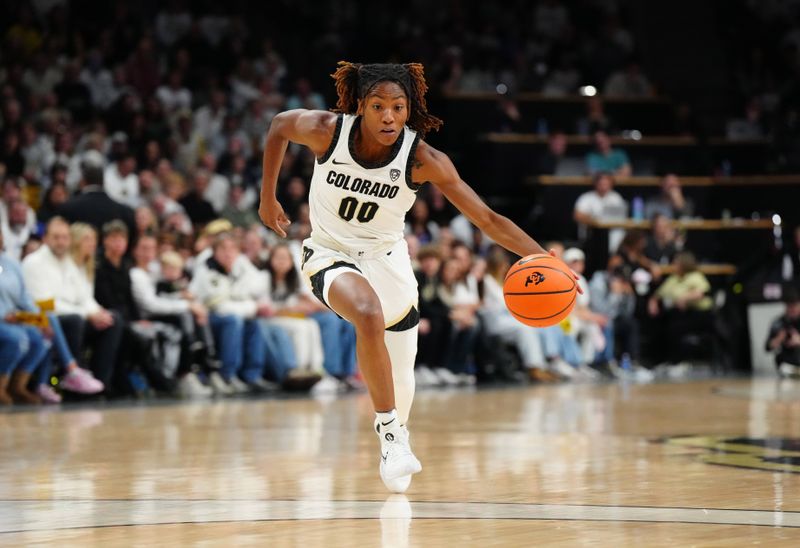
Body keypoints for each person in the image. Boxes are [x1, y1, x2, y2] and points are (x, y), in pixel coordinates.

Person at [258, 62, 572, 493]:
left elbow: (487, 219)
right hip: (329, 252)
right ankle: (388, 435)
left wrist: (545, 258)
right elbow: (277, 126)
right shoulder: (326, 131)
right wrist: (267, 196)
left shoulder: (422, 158)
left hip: (389, 260)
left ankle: (398, 433)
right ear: (360, 107)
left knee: (403, 371)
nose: (389, 117)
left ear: (409, 111)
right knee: (367, 314)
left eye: (398, 107)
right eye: (378, 106)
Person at [765, 289, 800, 378]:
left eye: (794, 306)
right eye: (789, 306)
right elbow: (767, 347)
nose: (792, 309)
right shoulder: (778, 323)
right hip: (786, 365)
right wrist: (778, 339)